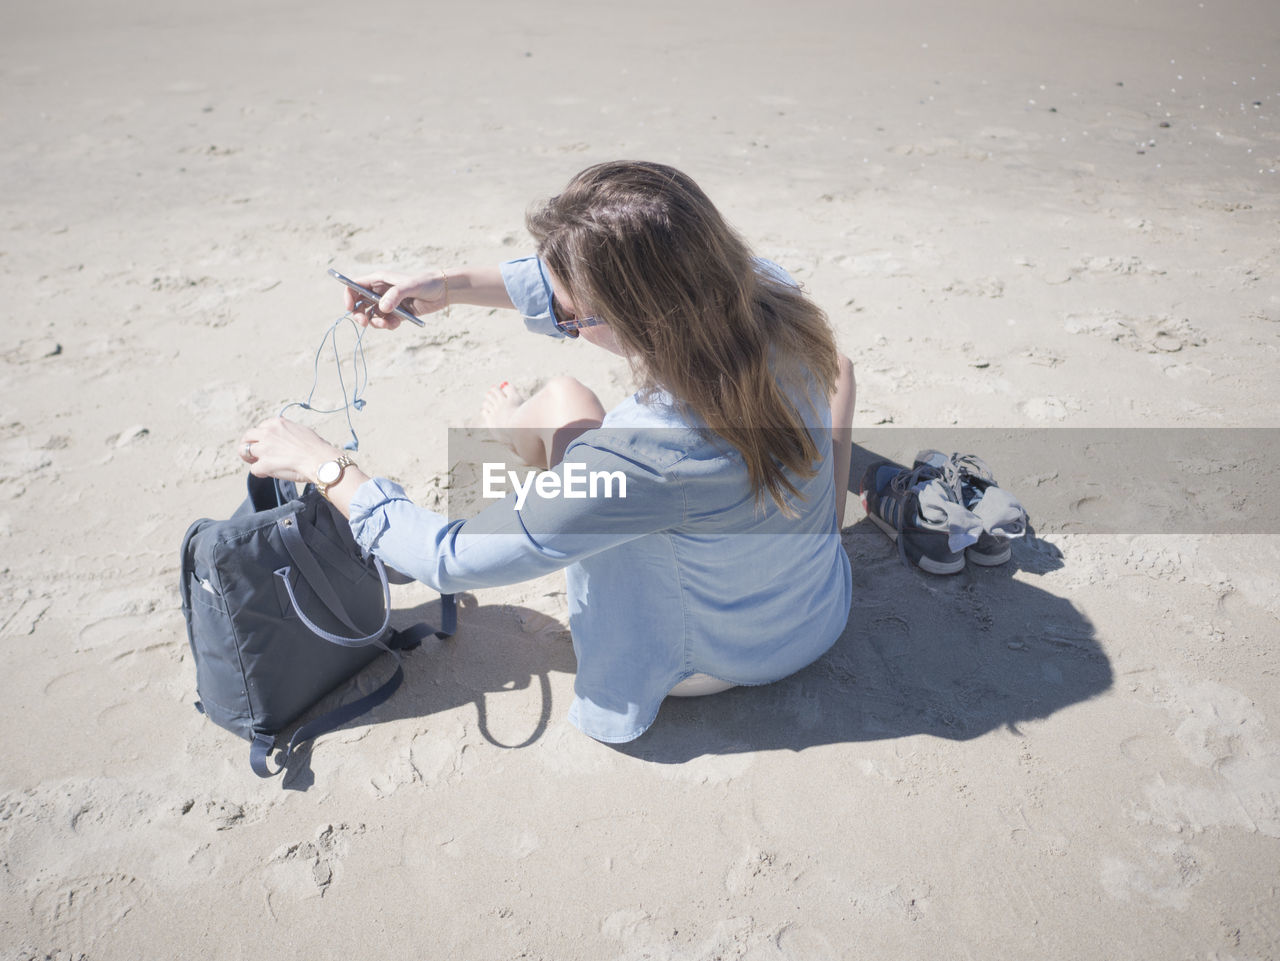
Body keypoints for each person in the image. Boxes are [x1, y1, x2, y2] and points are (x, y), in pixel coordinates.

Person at [239, 161, 856, 743]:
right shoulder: (768, 293)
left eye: (567, 318)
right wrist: (447, 286)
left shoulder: (642, 456)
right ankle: (521, 429)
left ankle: (513, 432)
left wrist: (321, 464)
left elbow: (448, 559)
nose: (559, 319)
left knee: (564, 414)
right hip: (817, 609)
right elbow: (837, 372)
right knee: (569, 397)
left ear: (638, 322)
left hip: (708, 661)